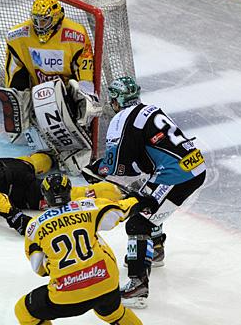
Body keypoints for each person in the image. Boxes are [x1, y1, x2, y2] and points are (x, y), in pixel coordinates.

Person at [83, 76, 207, 308]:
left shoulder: (121, 119)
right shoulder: (150, 110)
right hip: (193, 166)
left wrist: (95, 168)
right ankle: (156, 249)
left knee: (138, 222)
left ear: (118, 99)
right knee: (146, 198)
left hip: (176, 175)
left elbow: (115, 167)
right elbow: (145, 159)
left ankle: (138, 286)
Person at [15, 173, 158, 324]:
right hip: (105, 281)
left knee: (23, 310)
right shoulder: (87, 206)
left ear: (44, 195)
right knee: (113, 313)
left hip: (67, 293)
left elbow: (38, 268)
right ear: (69, 190)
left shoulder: (35, 226)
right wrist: (139, 201)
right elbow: (121, 210)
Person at [0, 0, 101, 174]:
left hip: (66, 93)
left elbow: (85, 72)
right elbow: (14, 71)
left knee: (82, 98)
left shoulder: (75, 35)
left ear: (57, 17)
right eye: (35, 20)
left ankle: (76, 129)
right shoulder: (18, 35)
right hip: (39, 92)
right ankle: (33, 125)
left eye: (44, 21)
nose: (38, 25)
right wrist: (17, 96)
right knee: (17, 93)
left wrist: (86, 97)